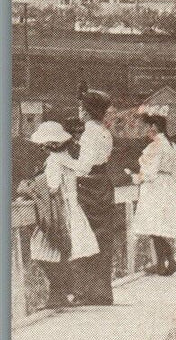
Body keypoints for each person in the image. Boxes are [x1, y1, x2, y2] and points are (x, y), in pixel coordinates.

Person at [22, 121, 100, 309]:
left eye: (43, 144)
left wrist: (31, 187)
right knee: (60, 252)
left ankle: (59, 293)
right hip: (71, 207)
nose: (41, 147)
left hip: (59, 209)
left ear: (50, 144)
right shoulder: (65, 157)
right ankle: (61, 293)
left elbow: (53, 187)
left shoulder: (53, 161)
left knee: (42, 249)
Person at [65, 88, 118, 305]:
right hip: (103, 184)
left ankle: (85, 293)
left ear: (86, 111)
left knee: (84, 236)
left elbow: (84, 167)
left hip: (88, 187)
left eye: (81, 107)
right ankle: (101, 292)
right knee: (102, 238)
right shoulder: (105, 132)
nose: (79, 111)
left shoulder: (89, 133)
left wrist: (63, 164)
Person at [129, 114, 176, 275]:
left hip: (155, 186)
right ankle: (163, 263)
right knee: (158, 227)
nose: (146, 131)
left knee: (154, 226)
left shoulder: (156, 146)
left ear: (154, 127)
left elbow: (148, 172)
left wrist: (135, 177)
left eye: (147, 127)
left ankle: (167, 262)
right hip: (167, 185)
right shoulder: (170, 145)